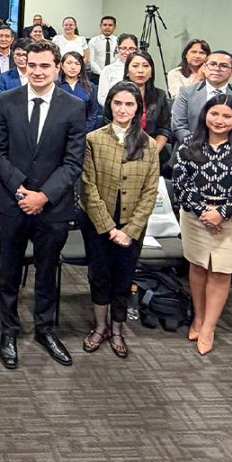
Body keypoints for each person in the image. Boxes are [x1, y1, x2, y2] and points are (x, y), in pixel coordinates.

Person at [0, 40, 87, 370]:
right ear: (24, 66)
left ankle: (45, 329)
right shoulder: (6, 100)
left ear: (57, 68)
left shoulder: (74, 106)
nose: (38, 71)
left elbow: (73, 162)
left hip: (52, 207)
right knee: (9, 272)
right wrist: (21, 190)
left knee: (47, 272)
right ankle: (9, 331)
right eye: (32, 65)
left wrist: (43, 196)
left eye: (45, 66)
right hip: (13, 203)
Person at [173, 95, 232, 356]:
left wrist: (221, 213)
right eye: (214, 114)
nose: (219, 120)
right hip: (195, 218)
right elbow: (180, 183)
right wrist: (204, 211)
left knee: (221, 272)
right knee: (198, 267)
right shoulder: (189, 144)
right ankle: (198, 318)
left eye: (226, 116)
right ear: (205, 115)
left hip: (231, 222)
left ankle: (209, 327)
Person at [79, 82, 159, 358]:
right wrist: (108, 227)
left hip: (132, 224)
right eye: (118, 103)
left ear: (138, 108)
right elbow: (87, 186)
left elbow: (150, 192)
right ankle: (100, 326)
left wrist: (130, 229)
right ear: (109, 105)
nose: (123, 109)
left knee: (124, 277)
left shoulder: (149, 144)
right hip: (99, 221)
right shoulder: (93, 139)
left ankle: (117, 329)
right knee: (99, 275)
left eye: (129, 104)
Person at [171, 49, 232, 145]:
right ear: (204, 68)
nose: (217, 69)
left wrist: (226, 150)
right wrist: (199, 147)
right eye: (212, 64)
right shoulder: (186, 92)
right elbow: (179, 126)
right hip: (191, 148)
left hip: (231, 151)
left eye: (223, 66)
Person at [124, 50, 171, 155]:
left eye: (145, 66)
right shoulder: (117, 94)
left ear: (151, 72)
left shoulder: (160, 96)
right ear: (127, 71)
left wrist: (153, 153)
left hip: (152, 150)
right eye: (135, 66)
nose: (141, 70)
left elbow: (164, 129)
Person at [58, 51, 102, 132]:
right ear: (62, 65)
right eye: (69, 63)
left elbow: (93, 113)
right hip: (58, 131)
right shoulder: (54, 86)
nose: (73, 67)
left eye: (77, 64)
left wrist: (85, 131)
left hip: (84, 131)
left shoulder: (90, 86)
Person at [97, 33, 139, 105]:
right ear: (117, 48)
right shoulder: (108, 70)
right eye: (123, 48)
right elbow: (102, 98)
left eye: (131, 48)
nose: (127, 52)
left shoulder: (141, 69)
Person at [86, 16, 118, 82]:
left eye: (110, 25)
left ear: (115, 27)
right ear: (100, 26)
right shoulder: (93, 41)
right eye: (105, 25)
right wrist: (102, 73)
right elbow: (90, 60)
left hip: (115, 75)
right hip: (97, 75)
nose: (107, 27)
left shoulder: (119, 41)